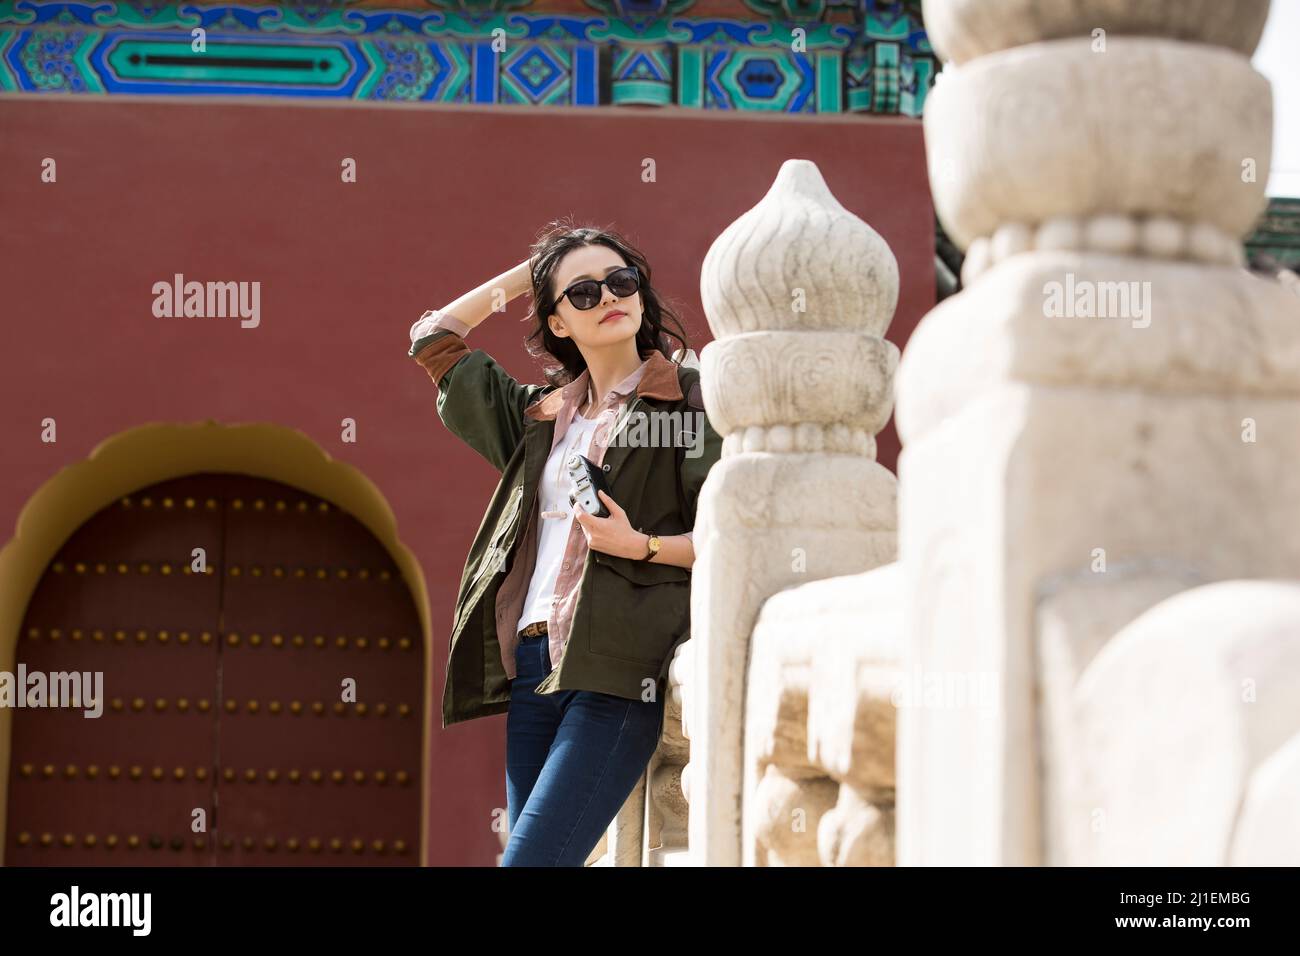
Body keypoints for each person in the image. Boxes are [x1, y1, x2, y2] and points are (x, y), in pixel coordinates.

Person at [407, 221, 722, 866]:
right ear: (555, 323)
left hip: (616, 669)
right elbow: (436, 340)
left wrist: (642, 546)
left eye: (621, 281)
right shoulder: (539, 417)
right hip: (533, 668)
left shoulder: (688, 402)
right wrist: (527, 275)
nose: (609, 297)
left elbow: (729, 531)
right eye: (582, 293)